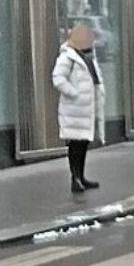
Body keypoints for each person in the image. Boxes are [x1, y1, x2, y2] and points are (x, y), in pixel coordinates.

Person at [51, 22, 105, 193]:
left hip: (86, 109)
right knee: (75, 145)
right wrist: (74, 93)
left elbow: (95, 80)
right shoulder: (67, 57)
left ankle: (81, 176)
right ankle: (75, 179)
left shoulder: (89, 57)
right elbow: (58, 79)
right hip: (74, 109)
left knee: (83, 144)